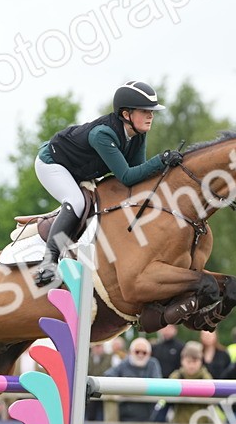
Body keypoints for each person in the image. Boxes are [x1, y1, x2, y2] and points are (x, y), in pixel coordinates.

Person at [31, 81, 179, 287]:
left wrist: (168, 168)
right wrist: (160, 160)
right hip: (53, 164)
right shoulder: (102, 134)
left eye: (151, 111)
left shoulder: (137, 134)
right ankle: (48, 262)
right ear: (126, 114)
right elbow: (127, 176)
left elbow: (137, 176)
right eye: (144, 111)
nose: (150, 115)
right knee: (76, 202)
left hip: (80, 167)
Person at [103, 336, 162, 422]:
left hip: (147, 414)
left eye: (144, 352)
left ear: (149, 354)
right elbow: (108, 376)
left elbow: (157, 384)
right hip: (125, 413)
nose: (140, 355)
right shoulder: (124, 364)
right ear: (131, 352)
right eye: (137, 352)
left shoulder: (153, 364)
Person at [165, 341, 219, 424]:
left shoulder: (205, 377)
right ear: (182, 361)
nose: (191, 365)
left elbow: (212, 396)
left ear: (201, 361)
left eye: (195, 361)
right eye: (188, 361)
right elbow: (167, 393)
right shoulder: (177, 376)